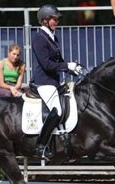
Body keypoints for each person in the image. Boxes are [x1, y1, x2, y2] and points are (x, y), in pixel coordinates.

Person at [32, 4, 82, 159]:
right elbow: (46, 64)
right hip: (44, 81)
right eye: (54, 19)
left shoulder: (53, 37)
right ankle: (40, 146)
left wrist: (72, 69)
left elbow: (59, 61)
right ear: (45, 20)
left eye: (57, 19)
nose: (57, 22)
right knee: (57, 110)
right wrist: (66, 65)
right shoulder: (39, 38)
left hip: (54, 81)